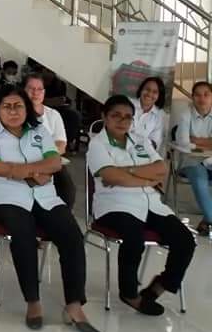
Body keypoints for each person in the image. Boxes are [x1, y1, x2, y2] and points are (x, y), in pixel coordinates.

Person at [0, 85, 98, 332]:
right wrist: (33, 171)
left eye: (18, 106)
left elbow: (54, 162)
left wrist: (18, 169)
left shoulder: (39, 130)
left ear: (27, 108)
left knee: (72, 236)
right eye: (7, 106)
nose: (13, 111)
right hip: (6, 198)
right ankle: (33, 301)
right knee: (24, 233)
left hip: (45, 196)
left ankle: (74, 304)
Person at [87, 95, 195, 316]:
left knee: (185, 240)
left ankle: (160, 285)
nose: (122, 121)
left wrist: (127, 171)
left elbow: (161, 169)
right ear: (104, 117)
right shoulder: (97, 145)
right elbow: (110, 176)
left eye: (128, 117)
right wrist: (147, 179)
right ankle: (129, 293)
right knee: (134, 238)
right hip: (114, 205)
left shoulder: (141, 140)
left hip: (150, 204)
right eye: (116, 115)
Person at [24, 74, 75, 210]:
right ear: (23, 91)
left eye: (39, 89)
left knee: (66, 187)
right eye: (31, 89)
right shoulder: (16, 114)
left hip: (49, 160)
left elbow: (61, 145)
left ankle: (63, 213)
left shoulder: (53, 115)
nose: (35, 93)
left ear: (44, 92)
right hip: (24, 161)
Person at [175, 81, 212, 236]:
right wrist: (208, 142)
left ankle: (207, 221)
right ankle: (210, 219)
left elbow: (189, 141)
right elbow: (183, 142)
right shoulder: (185, 114)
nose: (202, 98)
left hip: (210, 161)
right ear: (192, 97)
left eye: (206, 94)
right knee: (200, 179)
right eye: (197, 95)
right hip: (191, 161)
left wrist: (195, 140)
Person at [130, 76, 168, 152]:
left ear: (159, 96)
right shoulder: (128, 104)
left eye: (155, 92)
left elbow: (154, 143)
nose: (149, 94)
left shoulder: (160, 115)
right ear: (141, 89)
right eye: (147, 89)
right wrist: (144, 141)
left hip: (142, 153)